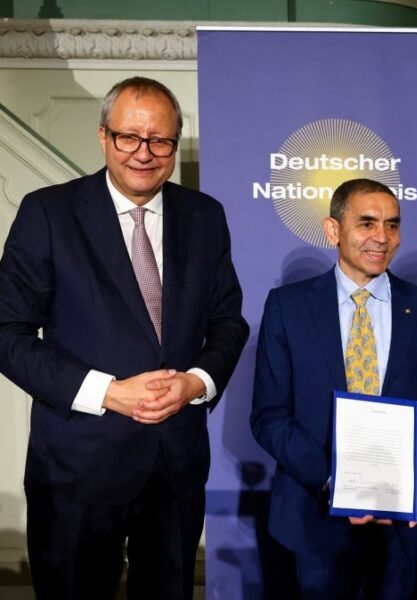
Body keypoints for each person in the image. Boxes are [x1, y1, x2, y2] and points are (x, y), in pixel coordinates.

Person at [0, 77, 249, 599]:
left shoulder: (205, 217)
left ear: (174, 143)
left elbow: (229, 321)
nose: (144, 153)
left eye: (160, 140)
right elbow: (8, 332)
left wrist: (196, 383)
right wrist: (108, 392)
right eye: (129, 137)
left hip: (175, 464)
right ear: (103, 136)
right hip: (77, 466)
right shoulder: (48, 213)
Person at [251, 178, 417, 599]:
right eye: (367, 223)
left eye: (392, 225)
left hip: (403, 524)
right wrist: (337, 483)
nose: (382, 237)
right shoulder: (288, 307)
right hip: (314, 516)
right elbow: (270, 417)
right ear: (333, 230)